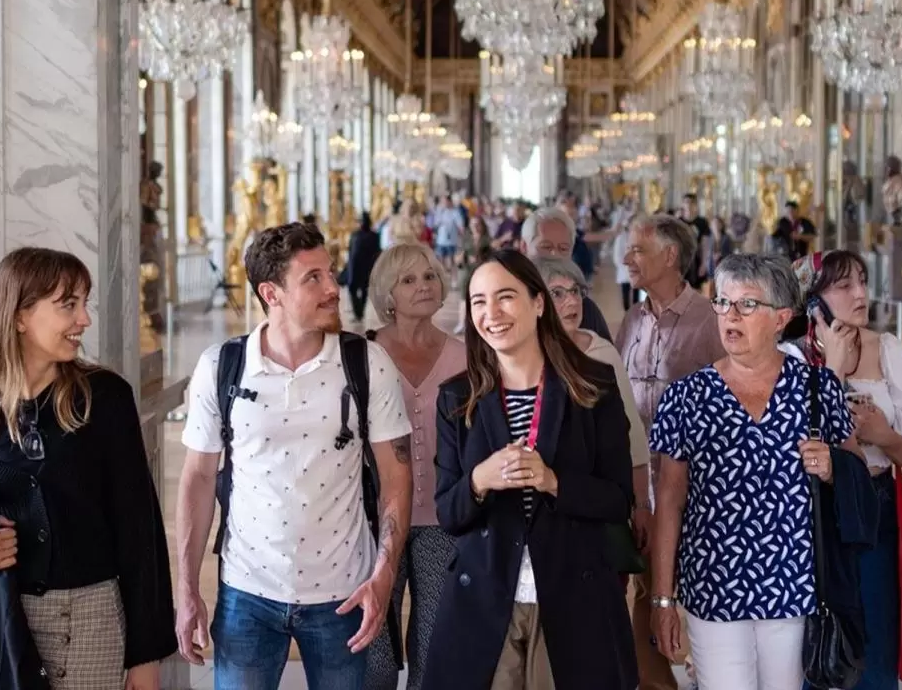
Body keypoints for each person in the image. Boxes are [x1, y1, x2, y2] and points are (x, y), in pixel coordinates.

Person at [0, 247, 176, 689]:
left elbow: (139, 533)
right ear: (19, 316)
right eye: (68, 304)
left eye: (84, 303)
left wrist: (147, 655)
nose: (84, 320)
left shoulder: (105, 399)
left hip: (92, 626)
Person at [174, 222, 413, 690]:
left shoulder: (366, 363)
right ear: (272, 293)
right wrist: (186, 587)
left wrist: (384, 574)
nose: (332, 288)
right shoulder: (221, 367)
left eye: (330, 273)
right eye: (313, 278)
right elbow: (198, 479)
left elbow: (396, 477)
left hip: (344, 593)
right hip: (247, 593)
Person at [650, 253, 876, 690]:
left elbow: (858, 472)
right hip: (713, 586)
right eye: (722, 302)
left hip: (792, 586)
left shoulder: (816, 387)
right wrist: (662, 599)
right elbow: (670, 502)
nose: (730, 316)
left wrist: (832, 466)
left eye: (747, 305)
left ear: (781, 318)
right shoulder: (686, 397)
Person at [423, 249, 638, 690]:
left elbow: (619, 500)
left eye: (505, 297)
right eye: (478, 301)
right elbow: (448, 513)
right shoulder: (456, 398)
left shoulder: (591, 385)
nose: (491, 313)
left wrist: (553, 481)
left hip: (572, 596)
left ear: (538, 304)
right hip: (488, 599)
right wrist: (481, 479)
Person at [787, 250, 902, 689]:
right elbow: (795, 445)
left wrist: (882, 434)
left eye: (862, 281)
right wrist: (832, 370)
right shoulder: (791, 360)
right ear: (813, 301)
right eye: (843, 285)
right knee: (816, 643)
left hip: (875, 512)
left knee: (874, 646)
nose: (860, 294)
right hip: (811, 516)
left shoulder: (886, 348)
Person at [614, 213, 725, 690]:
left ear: (670, 256)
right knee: (644, 610)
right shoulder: (633, 320)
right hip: (642, 493)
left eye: (638, 250)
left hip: (698, 497)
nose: (627, 259)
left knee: (700, 613)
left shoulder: (710, 321)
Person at [363, 243, 466, 690]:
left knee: (435, 646)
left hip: (443, 521)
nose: (423, 286)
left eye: (429, 277)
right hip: (375, 520)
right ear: (388, 295)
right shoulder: (362, 355)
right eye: (408, 280)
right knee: (374, 655)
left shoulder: (465, 356)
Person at [534, 256, 650, 508]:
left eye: (576, 291)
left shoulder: (602, 352)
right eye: (558, 293)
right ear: (537, 303)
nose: (573, 300)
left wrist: (641, 502)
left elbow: (633, 434)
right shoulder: (527, 357)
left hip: (598, 495)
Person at [519, 206, 612, 341]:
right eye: (546, 247)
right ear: (524, 247)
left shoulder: (584, 309)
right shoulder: (511, 303)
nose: (555, 255)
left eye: (563, 249)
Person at [345, 213, 382, 322]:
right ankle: (359, 312)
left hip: (362, 267)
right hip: (360, 267)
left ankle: (359, 313)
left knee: (362, 289)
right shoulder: (358, 235)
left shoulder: (361, 235)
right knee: (356, 289)